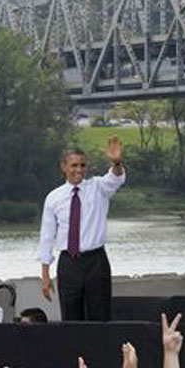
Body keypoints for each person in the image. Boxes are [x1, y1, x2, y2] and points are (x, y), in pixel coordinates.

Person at [39, 137, 125, 321]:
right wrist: (45, 275)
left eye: (83, 165)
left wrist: (116, 162)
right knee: (71, 318)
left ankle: (100, 350)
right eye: (74, 165)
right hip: (69, 263)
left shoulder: (98, 187)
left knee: (99, 316)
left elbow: (115, 178)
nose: (79, 170)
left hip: (95, 261)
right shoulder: (54, 198)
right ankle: (75, 350)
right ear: (64, 167)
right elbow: (47, 237)